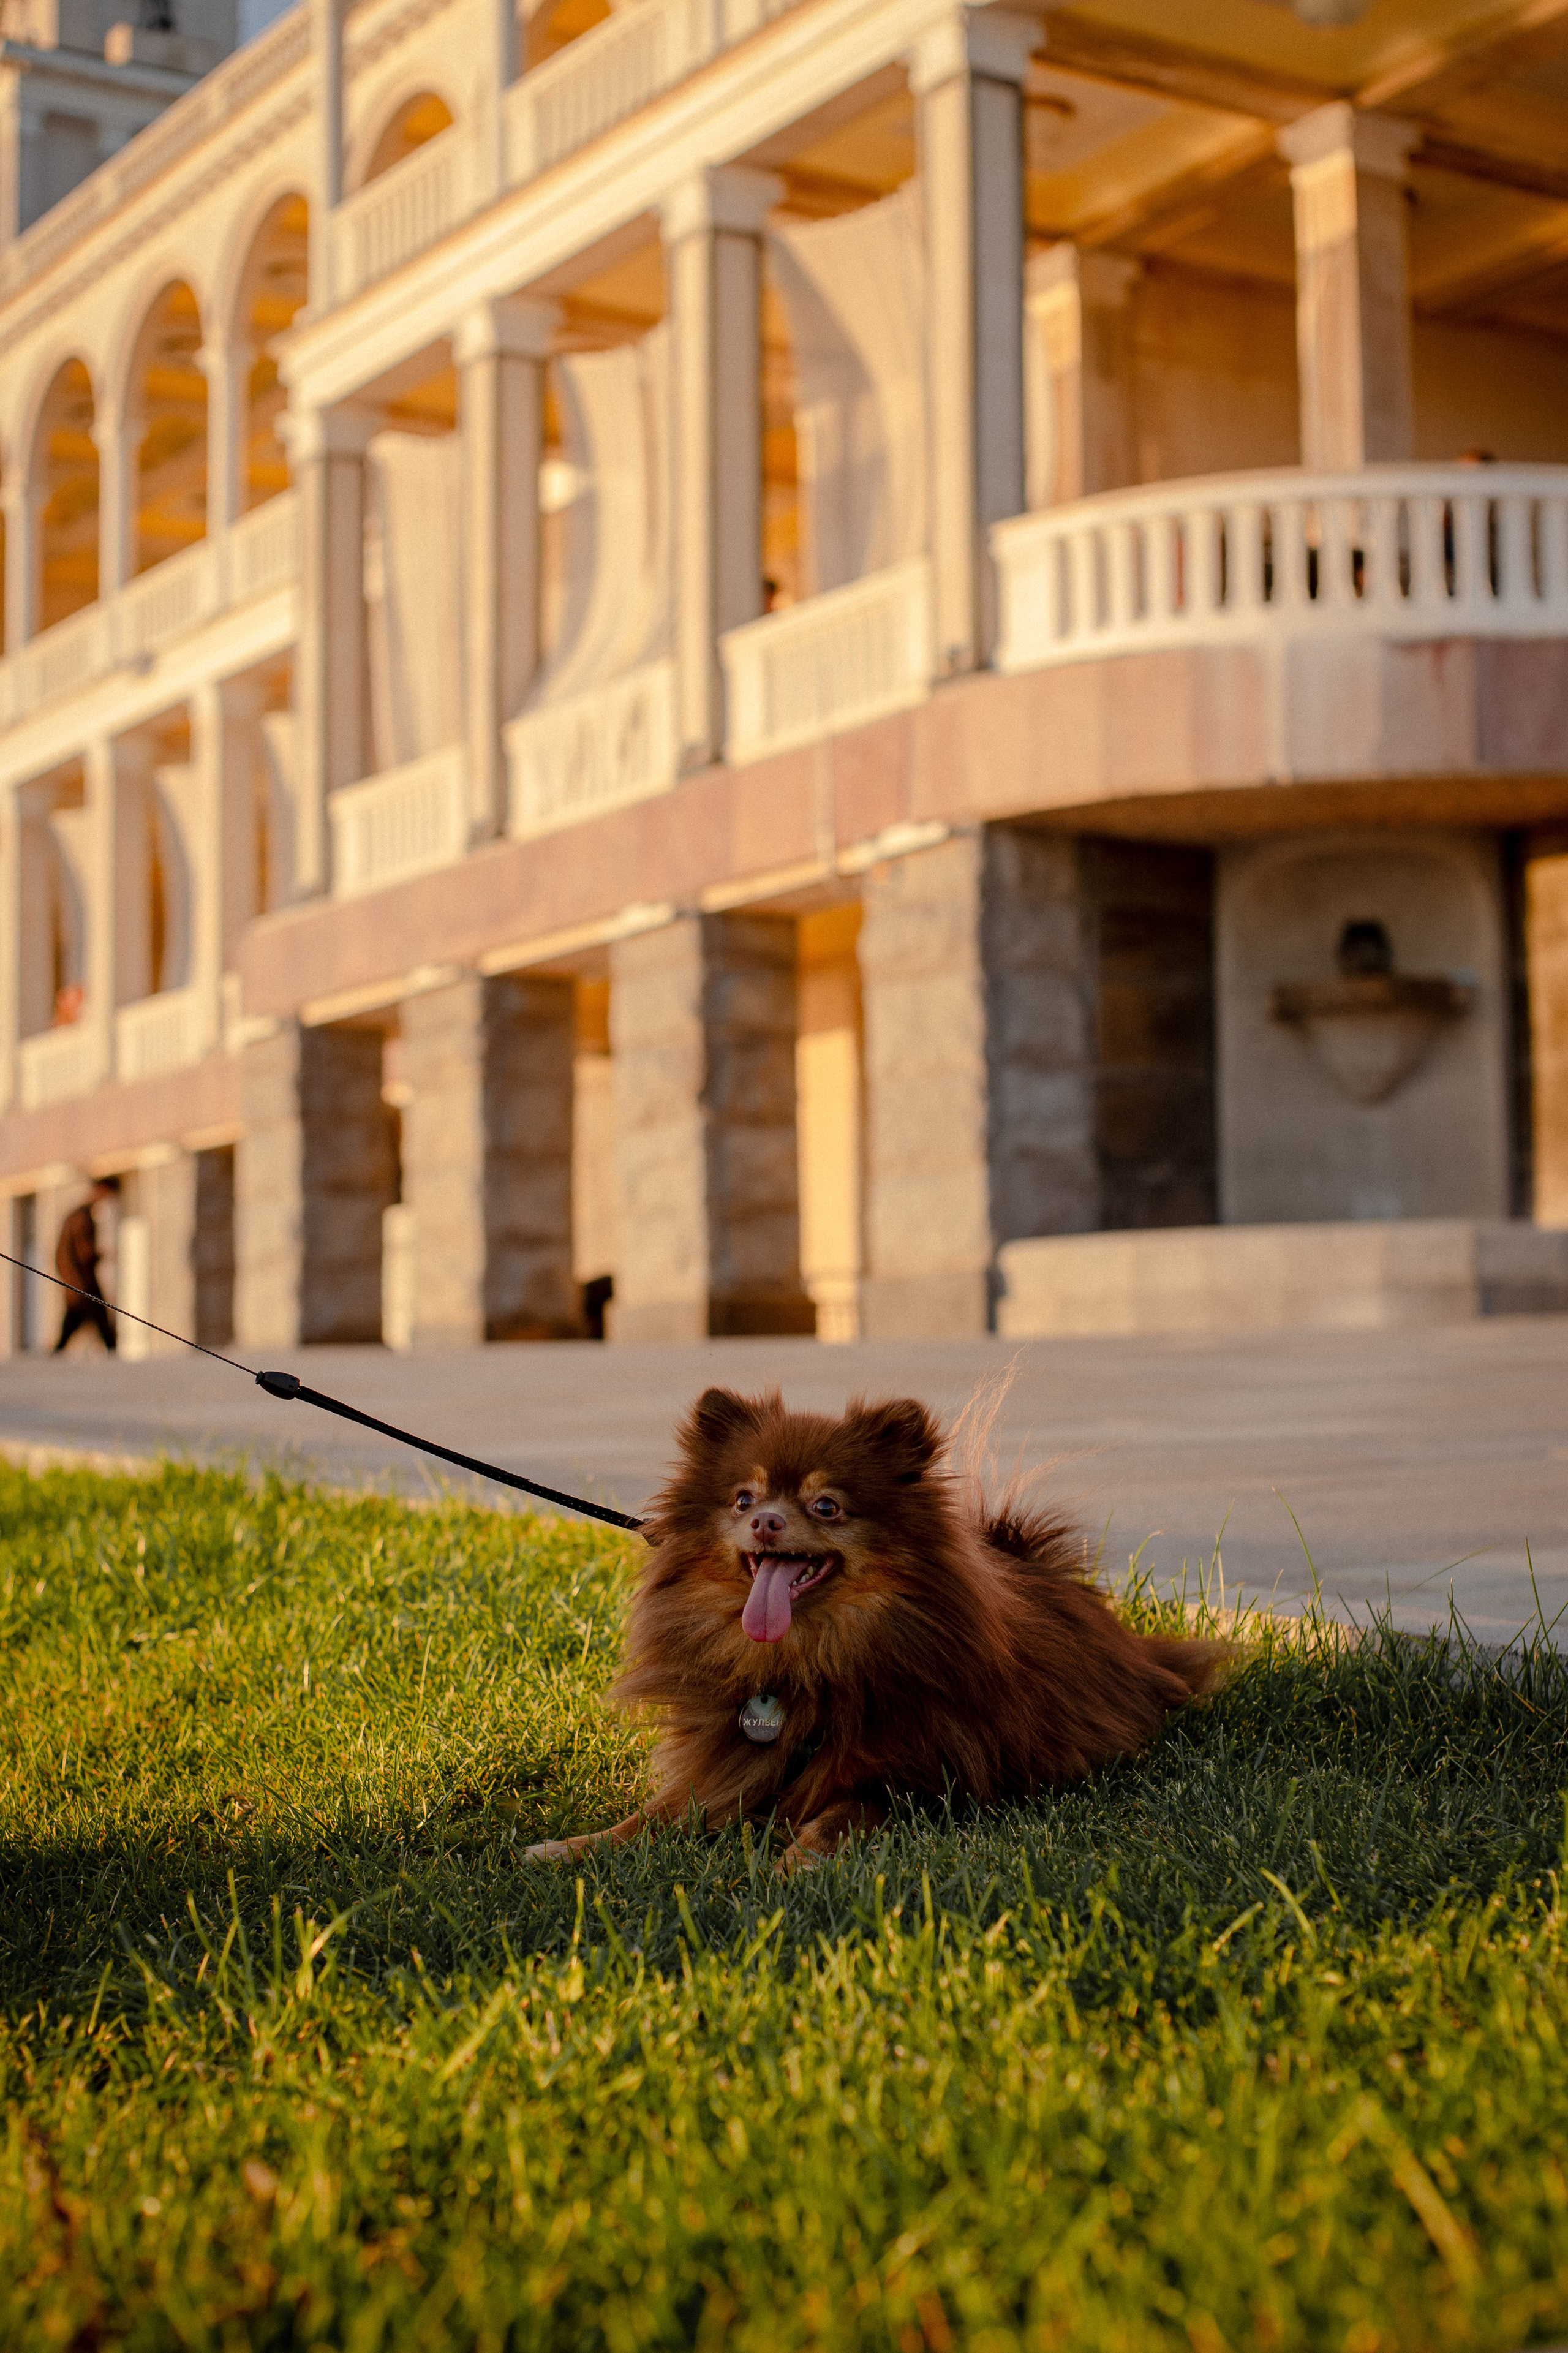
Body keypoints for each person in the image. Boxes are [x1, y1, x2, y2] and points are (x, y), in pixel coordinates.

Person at [51, 1176, 120, 1354]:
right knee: (100, 1320)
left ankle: (56, 1354)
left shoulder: (76, 1215)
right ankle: (116, 1360)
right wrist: (103, 1255)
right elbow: (84, 1253)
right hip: (82, 1282)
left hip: (76, 1282)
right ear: (102, 1190)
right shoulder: (83, 1217)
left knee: (73, 1324)